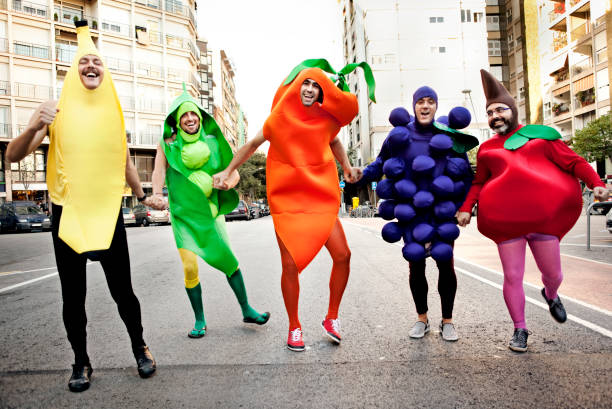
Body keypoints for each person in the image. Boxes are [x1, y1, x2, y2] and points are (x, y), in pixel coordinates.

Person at [6, 21, 156, 392]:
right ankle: (81, 362)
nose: (91, 66)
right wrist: (33, 128)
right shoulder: (53, 110)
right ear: (74, 70)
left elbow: (124, 162)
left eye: (97, 62)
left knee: (124, 292)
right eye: (84, 61)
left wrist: (142, 196)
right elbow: (12, 156)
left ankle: (140, 347)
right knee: (73, 298)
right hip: (68, 214)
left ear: (104, 72)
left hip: (107, 215)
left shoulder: (113, 113)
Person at [213, 59, 374, 351]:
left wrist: (347, 167)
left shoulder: (326, 120)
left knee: (343, 255)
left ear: (322, 91)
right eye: (306, 83)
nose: (310, 89)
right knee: (290, 265)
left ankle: (332, 318)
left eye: (316, 85)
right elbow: (251, 145)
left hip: (319, 198)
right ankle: (294, 326)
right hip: (288, 201)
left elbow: (335, 142)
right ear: (296, 88)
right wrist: (227, 171)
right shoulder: (278, 119)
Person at [456, 69, 610, 352]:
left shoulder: (541, 138)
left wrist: (596, 183)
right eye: (490, 112)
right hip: (506, 224)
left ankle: (551, 294)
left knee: (554, 275)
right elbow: (478, 182)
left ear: (512, 111)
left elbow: (575, 162)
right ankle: (519, 329)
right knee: (512, 276)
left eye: (500, 109)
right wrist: (467, 208)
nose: (495, 116)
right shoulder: (487, 149)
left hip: (543, 223)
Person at [356, 86, 477, 342]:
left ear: (436, 106)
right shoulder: (398, 136)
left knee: (446, 264)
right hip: (411, 211)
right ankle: (422, 318)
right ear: (413, 106)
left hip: (442, 211)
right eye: (420, 101)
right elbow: (380, 163)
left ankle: (448, 321)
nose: (425, 106)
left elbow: (465, 173)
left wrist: (464, 206)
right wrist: (361, 174)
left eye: (430, 102)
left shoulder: (447, 134)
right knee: (416, 265)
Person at [148, 85, 270, 338]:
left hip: (212, 214)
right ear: (177, 121)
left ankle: (247, 309)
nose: (191, 119)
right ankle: (200, 319)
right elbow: (159, 171)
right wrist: (157, 193)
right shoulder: (167, 145)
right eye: (185, 116)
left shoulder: (214, 143)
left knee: (228, 260)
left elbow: (233, 172)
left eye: (194, 114)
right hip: (183, 218)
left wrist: (228, 182)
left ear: (201, 117)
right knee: (190, 268)